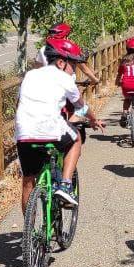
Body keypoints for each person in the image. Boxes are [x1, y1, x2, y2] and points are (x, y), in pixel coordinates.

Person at [16, 36, 102, 211]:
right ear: (61, 62)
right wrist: (93, 120)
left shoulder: (30, 75)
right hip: (51, 129)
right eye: (73, 65)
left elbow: (19, 102)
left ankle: (30, 235)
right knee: (76, 138)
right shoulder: (65, 79)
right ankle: (65, 185)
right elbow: (81, 107)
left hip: (23, 133)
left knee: (28, 181)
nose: (74, 71)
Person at [40, 21, 99, 86]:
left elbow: (38, 68)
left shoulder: (42, 49)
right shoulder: (69, 48)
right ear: (65, 35)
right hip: (67, 86)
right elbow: (85, 70)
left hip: (48, 86)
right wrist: (95, 80)